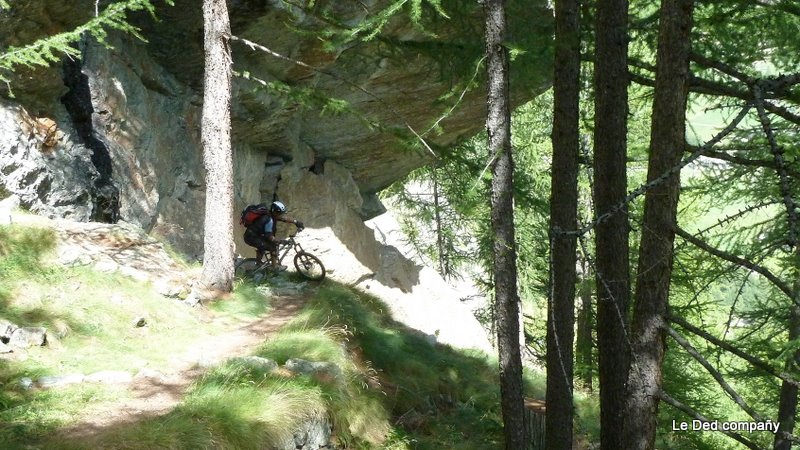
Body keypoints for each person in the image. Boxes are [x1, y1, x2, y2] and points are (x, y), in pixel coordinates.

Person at [243, 201, 304, 270]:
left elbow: (283, 219)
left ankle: (258, 265)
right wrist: (281, 241)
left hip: (251, 235)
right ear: (275, 212)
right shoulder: (269, 220)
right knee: (273, 247)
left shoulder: (269, 214)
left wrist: (295, 222)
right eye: (280, 213)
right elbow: (270, 237)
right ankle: (274, 268)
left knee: (263, 246)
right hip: (251, 238)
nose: (281, 215)